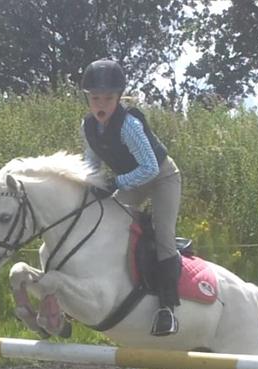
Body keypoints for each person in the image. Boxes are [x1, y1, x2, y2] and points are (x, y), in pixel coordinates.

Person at [80, 58, 183, 337]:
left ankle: (167, 308)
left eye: (108, 98)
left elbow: (149, 168)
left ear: (118, 98)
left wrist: (114, 183)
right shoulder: (88, 126)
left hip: (162, 178)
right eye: (95, 98)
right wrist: (87, 187)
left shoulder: (129, 126)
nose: (101, 104)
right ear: (88, 98)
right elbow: (91, 164)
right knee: (107, 223)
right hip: (132, 179)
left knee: (163, 236)